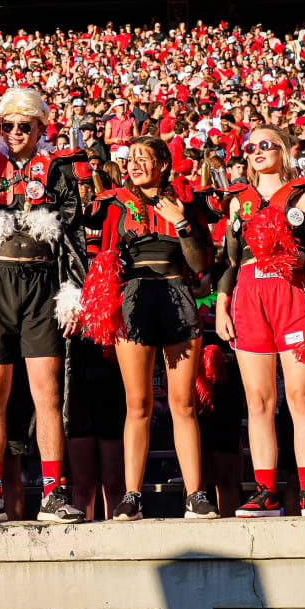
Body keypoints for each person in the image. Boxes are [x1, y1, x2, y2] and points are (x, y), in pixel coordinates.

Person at [0, 86, 87, 525]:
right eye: (6, 125)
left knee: (47, 392)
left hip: (40, 281)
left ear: (39, 127)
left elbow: (74, 233)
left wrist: (74, 291)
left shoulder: (57, 167)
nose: (13, 132)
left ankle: (53, 492)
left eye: (23, 125)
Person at [86, 136, 217, 520]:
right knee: (138, 404)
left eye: (145, 158)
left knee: (183, 404)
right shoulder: (113, 204)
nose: (135, 164)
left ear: (163, 163)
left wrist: (180, 221)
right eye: (132, 159)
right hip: (134, 300)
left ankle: (195, 495)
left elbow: (199, 263)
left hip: (177, 292)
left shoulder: (186, 201)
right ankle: (132, 495)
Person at [216, 126, 305, 518]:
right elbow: (232, 262)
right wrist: (220, 304)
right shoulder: (238, 201)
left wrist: (295, 258)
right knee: (259, 401)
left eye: (266, 144)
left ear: (283, 150)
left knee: (301, 397)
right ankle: (265, 491)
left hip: (291, 291)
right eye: (251, 146)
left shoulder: (303, 196)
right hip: (249, 295)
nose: (257, 151)